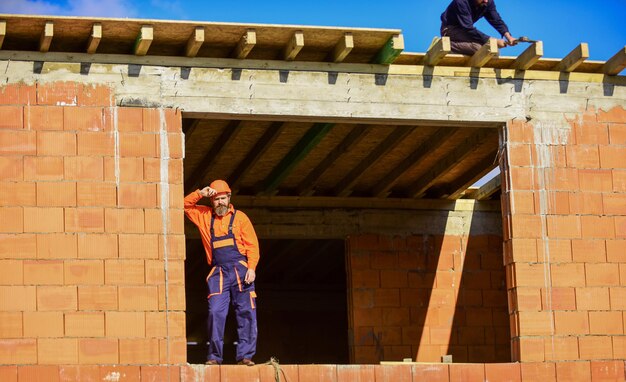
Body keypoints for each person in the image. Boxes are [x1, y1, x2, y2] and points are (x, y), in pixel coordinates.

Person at [184, 179, 260, 366]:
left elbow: (252, 245)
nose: (220, 203)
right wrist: (200, 193)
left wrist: (252, 268)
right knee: (215, 312)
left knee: (246, 312)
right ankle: (214, 357)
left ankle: (245, 357)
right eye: (216, 199)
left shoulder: (240, 217)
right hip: (218, 273)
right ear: (212, 200)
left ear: (229, 198)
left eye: (223, 198)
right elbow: (183, 206)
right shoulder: (203, 215)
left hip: (242, 270)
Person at [440, 0, 517, 55]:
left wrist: (508, 36)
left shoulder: (487, 2)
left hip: (465, 31)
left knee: (493, 51)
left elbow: (496, 20)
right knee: (481, 49)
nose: (486, 1)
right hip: (450, 30)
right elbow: (468, 28)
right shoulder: (461, 2)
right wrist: (494, 41)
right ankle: (444, 44)